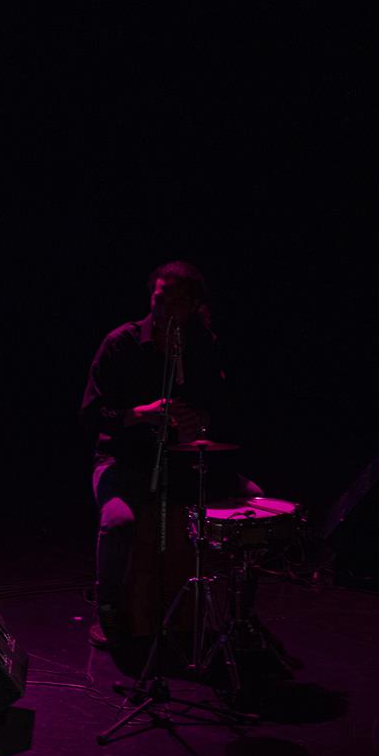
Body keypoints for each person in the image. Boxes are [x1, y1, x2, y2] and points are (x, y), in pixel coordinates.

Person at [80, 261, 250, 648]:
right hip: (122, 459)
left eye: (176, 302)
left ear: (192, 306)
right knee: (119, 521)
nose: (165, 309)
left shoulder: (204, 346)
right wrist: (140, 414)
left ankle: (238, 615)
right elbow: (90, 416)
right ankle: (107, 607)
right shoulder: (120, 344)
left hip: (184, 461)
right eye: (160, 298)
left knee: (253, 504)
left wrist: (201, 419)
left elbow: (225, 408)